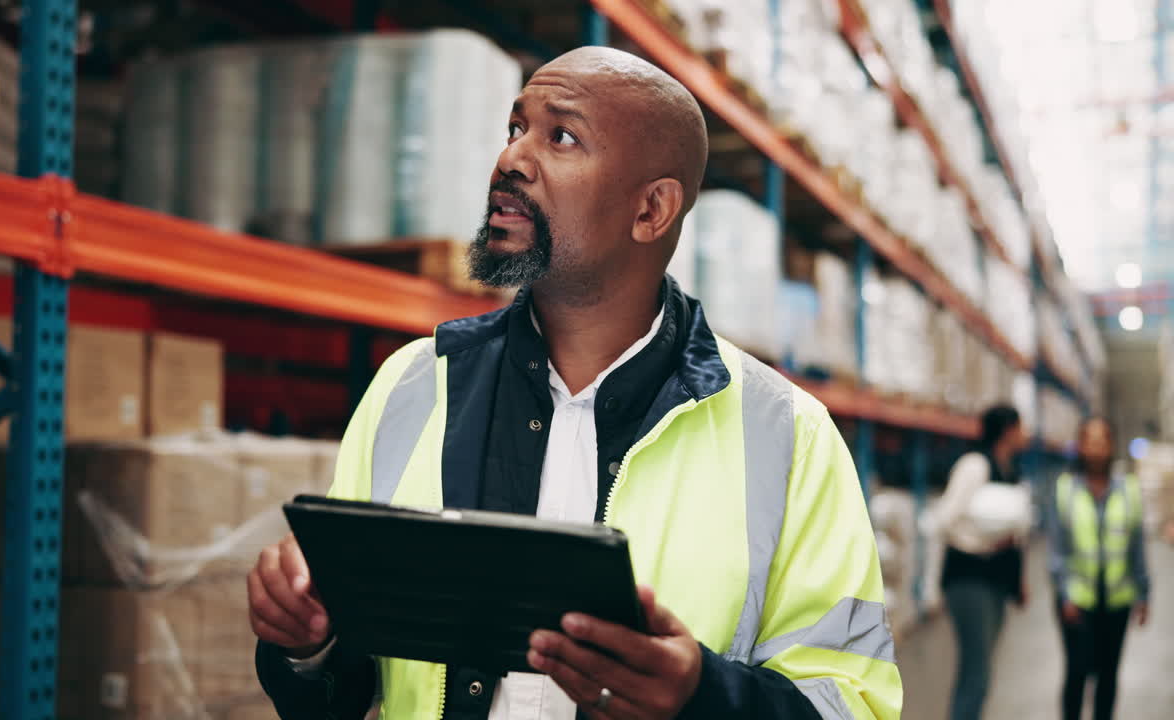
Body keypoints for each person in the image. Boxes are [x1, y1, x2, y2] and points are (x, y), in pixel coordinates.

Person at [247, 46, 902, 720]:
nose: (512, 160)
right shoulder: (413, 387)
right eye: (514, 129)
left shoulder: (789, 437)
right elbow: (341, 692)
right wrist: (309, 644)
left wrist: (701, 698)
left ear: (652, 210)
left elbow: (853, 704)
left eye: (560, 136)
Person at [1050, 417, 1150, 720]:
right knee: (1077, 672)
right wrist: (1065, 593)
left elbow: (1137, 544)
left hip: (1117, 601)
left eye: (1102, 442)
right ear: (1080, 446)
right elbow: (1057, 549)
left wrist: (1144, 593)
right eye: (1090, 442)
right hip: (1077, 600)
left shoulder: (1128, 489)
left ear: (1110, 447)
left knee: (1108, 675)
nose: (1096, 449)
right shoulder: (1065, 489)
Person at [935, 405, 1030, 720]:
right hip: (969, 579)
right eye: (1020, 427)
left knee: (981, 668)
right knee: (977, 672)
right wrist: (984, 543)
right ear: (1007, 430)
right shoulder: (974, 465)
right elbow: (945, 519)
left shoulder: (1010, 468)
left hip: (997, 580)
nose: (1025, 434)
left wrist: (1020, 581)